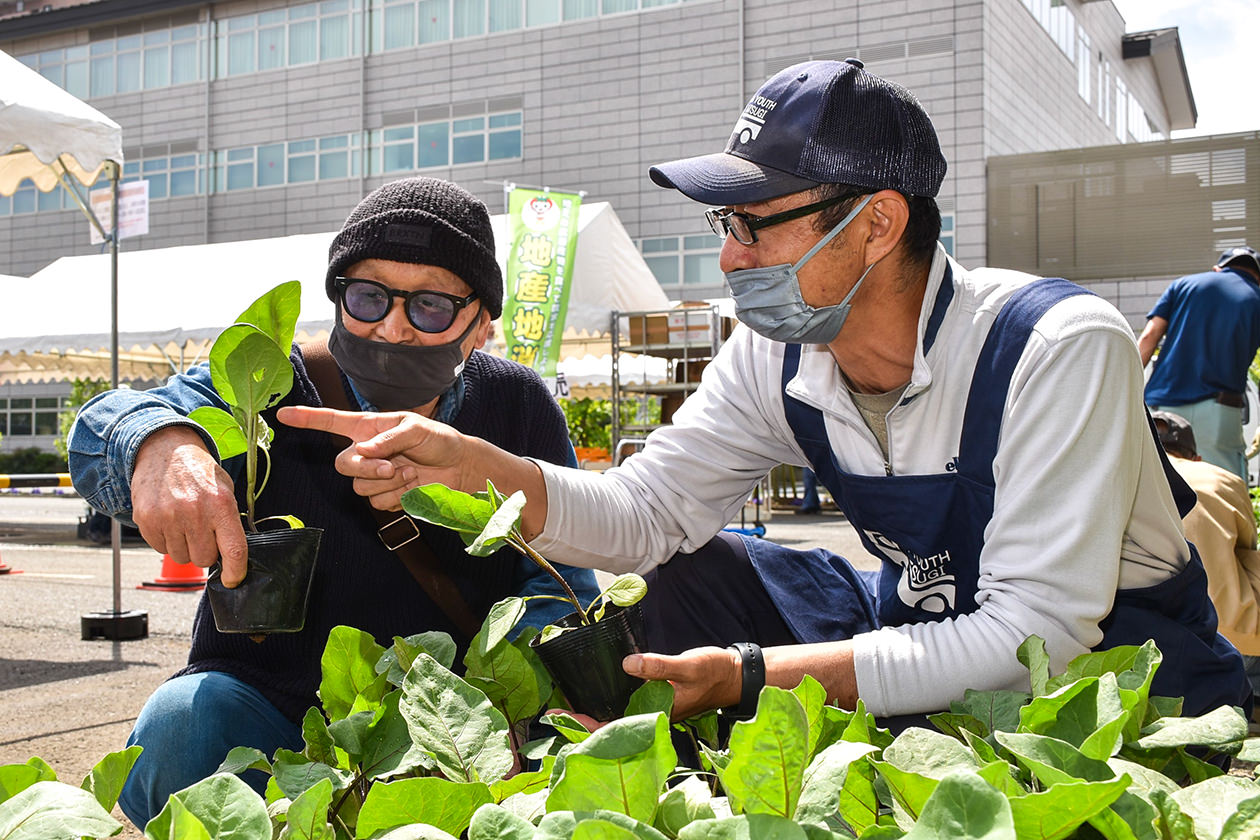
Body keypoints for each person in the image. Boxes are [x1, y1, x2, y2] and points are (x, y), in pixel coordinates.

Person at [281, 60, 1251, 728]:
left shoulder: (1053, 344)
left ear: (877, 224)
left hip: (1120, 683)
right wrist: (478, 469)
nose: (728, 254)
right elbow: (642, 514)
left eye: (753, 224)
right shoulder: (775, 356)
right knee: (678, 570)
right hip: (921, 639)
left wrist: (753, 679)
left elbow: (1037, 632)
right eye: (723, 223)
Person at [67, 176, 597, 827]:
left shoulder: (516, 404)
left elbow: (562, 580)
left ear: (482, 323)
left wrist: (536, 702)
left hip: (457, 719)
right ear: (338, 297)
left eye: (431, 306)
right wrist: (161, 446)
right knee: (182, 723)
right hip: (275, 704)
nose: (394, 328)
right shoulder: (269, 384)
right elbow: (104, 425)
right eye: (369, 297)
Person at [1153, 410, 1260, 703]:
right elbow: (1248, 548)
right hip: (1231, 640)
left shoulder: (1123, 476)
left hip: (1146, 646)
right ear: (1196, 457)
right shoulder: (1221, 479)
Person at [1138, 245, 1260, 482]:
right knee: (1223, 487)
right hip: (1219, 410)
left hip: (1162, 407)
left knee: (1159, 486)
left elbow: (1149, 337)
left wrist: (1124, 389)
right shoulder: (1256, 298)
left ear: (1217, 269)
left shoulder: (1183, 285)